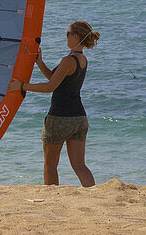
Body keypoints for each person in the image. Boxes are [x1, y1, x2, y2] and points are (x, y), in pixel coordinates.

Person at [8, 20, 100, 187]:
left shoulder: (67, 60)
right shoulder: (82, 60)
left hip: (59, 117)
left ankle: (51, 197)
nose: (66, 37)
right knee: (79, 166)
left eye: (67, 34)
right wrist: (40, 63)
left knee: (50, 166)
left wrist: (21, 86)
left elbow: (50, 87)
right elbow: (54, 79)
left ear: (75, 36)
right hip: (79, 118)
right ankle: (94, 194)